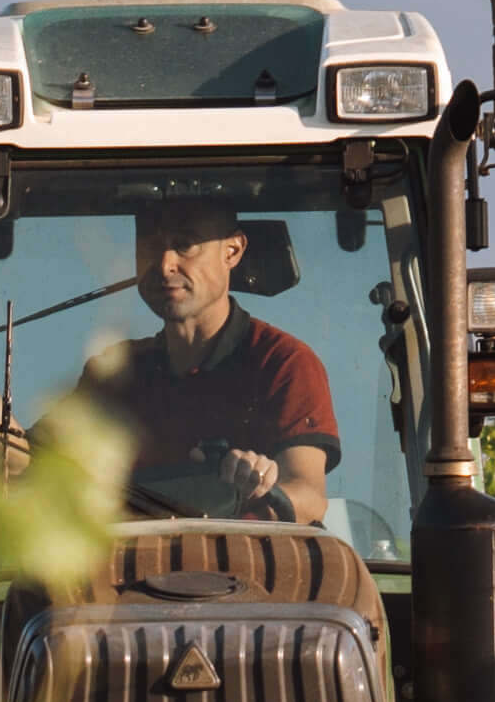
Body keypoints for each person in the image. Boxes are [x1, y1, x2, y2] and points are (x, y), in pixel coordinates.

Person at [72, 198, 340, 524]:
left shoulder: (283, 362)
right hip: (124, 570)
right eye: (150, 244)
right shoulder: (113, 372)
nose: (164, 263)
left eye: (185, 245)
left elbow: (309, 496)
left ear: (233, 251)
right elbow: (25, 464)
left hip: (245, 568)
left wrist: (259, 485)